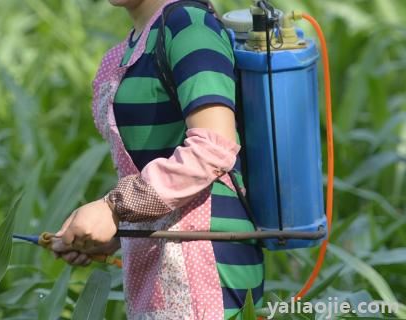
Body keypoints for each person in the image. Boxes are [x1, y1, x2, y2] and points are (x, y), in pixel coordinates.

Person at [50, 0, 264, 319]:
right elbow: (147, 164)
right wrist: (114, 229)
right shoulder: (131, 46)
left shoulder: (190, 29)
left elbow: (213, 147)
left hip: (207, 266)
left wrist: (114, 207)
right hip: (159, 265)